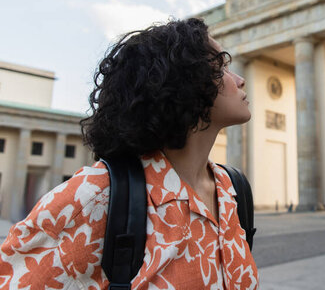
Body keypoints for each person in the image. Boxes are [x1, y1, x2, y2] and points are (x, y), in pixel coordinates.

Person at [0, 18, 258, 289]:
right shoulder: (97, 196)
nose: (239, 80)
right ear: (181, 84)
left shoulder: (233, 189)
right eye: (219, 69)